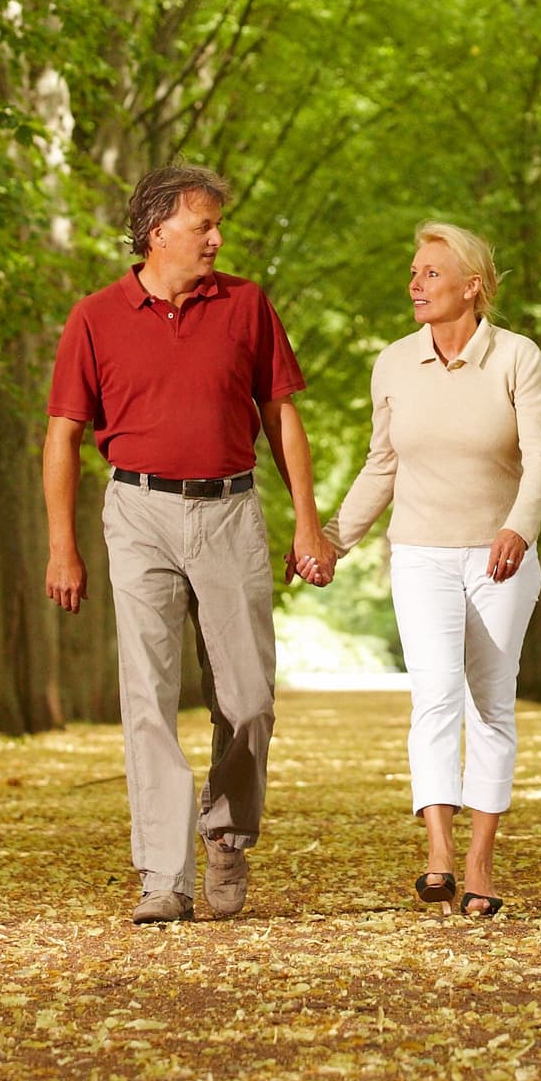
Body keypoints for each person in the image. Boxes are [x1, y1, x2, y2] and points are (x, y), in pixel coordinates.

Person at [43, 163, 329, 925]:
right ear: (156, 229)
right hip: (135, 510)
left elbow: (282, 416)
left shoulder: (246, 305)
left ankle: (227, 833)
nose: (217, 238)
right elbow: (64, 435)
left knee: (249, 698)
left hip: (231, 509)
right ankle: (161, 875)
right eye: (204, 224)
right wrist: (61, 546)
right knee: (147, 696)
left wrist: (307, 520)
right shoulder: (95, 316)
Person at [302, 221, 541, 919]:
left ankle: (481, 860)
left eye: (431, 274)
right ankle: (438, 853)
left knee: (490, 705)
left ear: (472, 287)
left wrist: (519, 528)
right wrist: (331, 540)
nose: (416, 284)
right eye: (414, 273)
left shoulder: (517, 359)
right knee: (436, 695)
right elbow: (381, 465)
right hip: (419, 554)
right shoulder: (392, 363)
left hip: (500, 557)